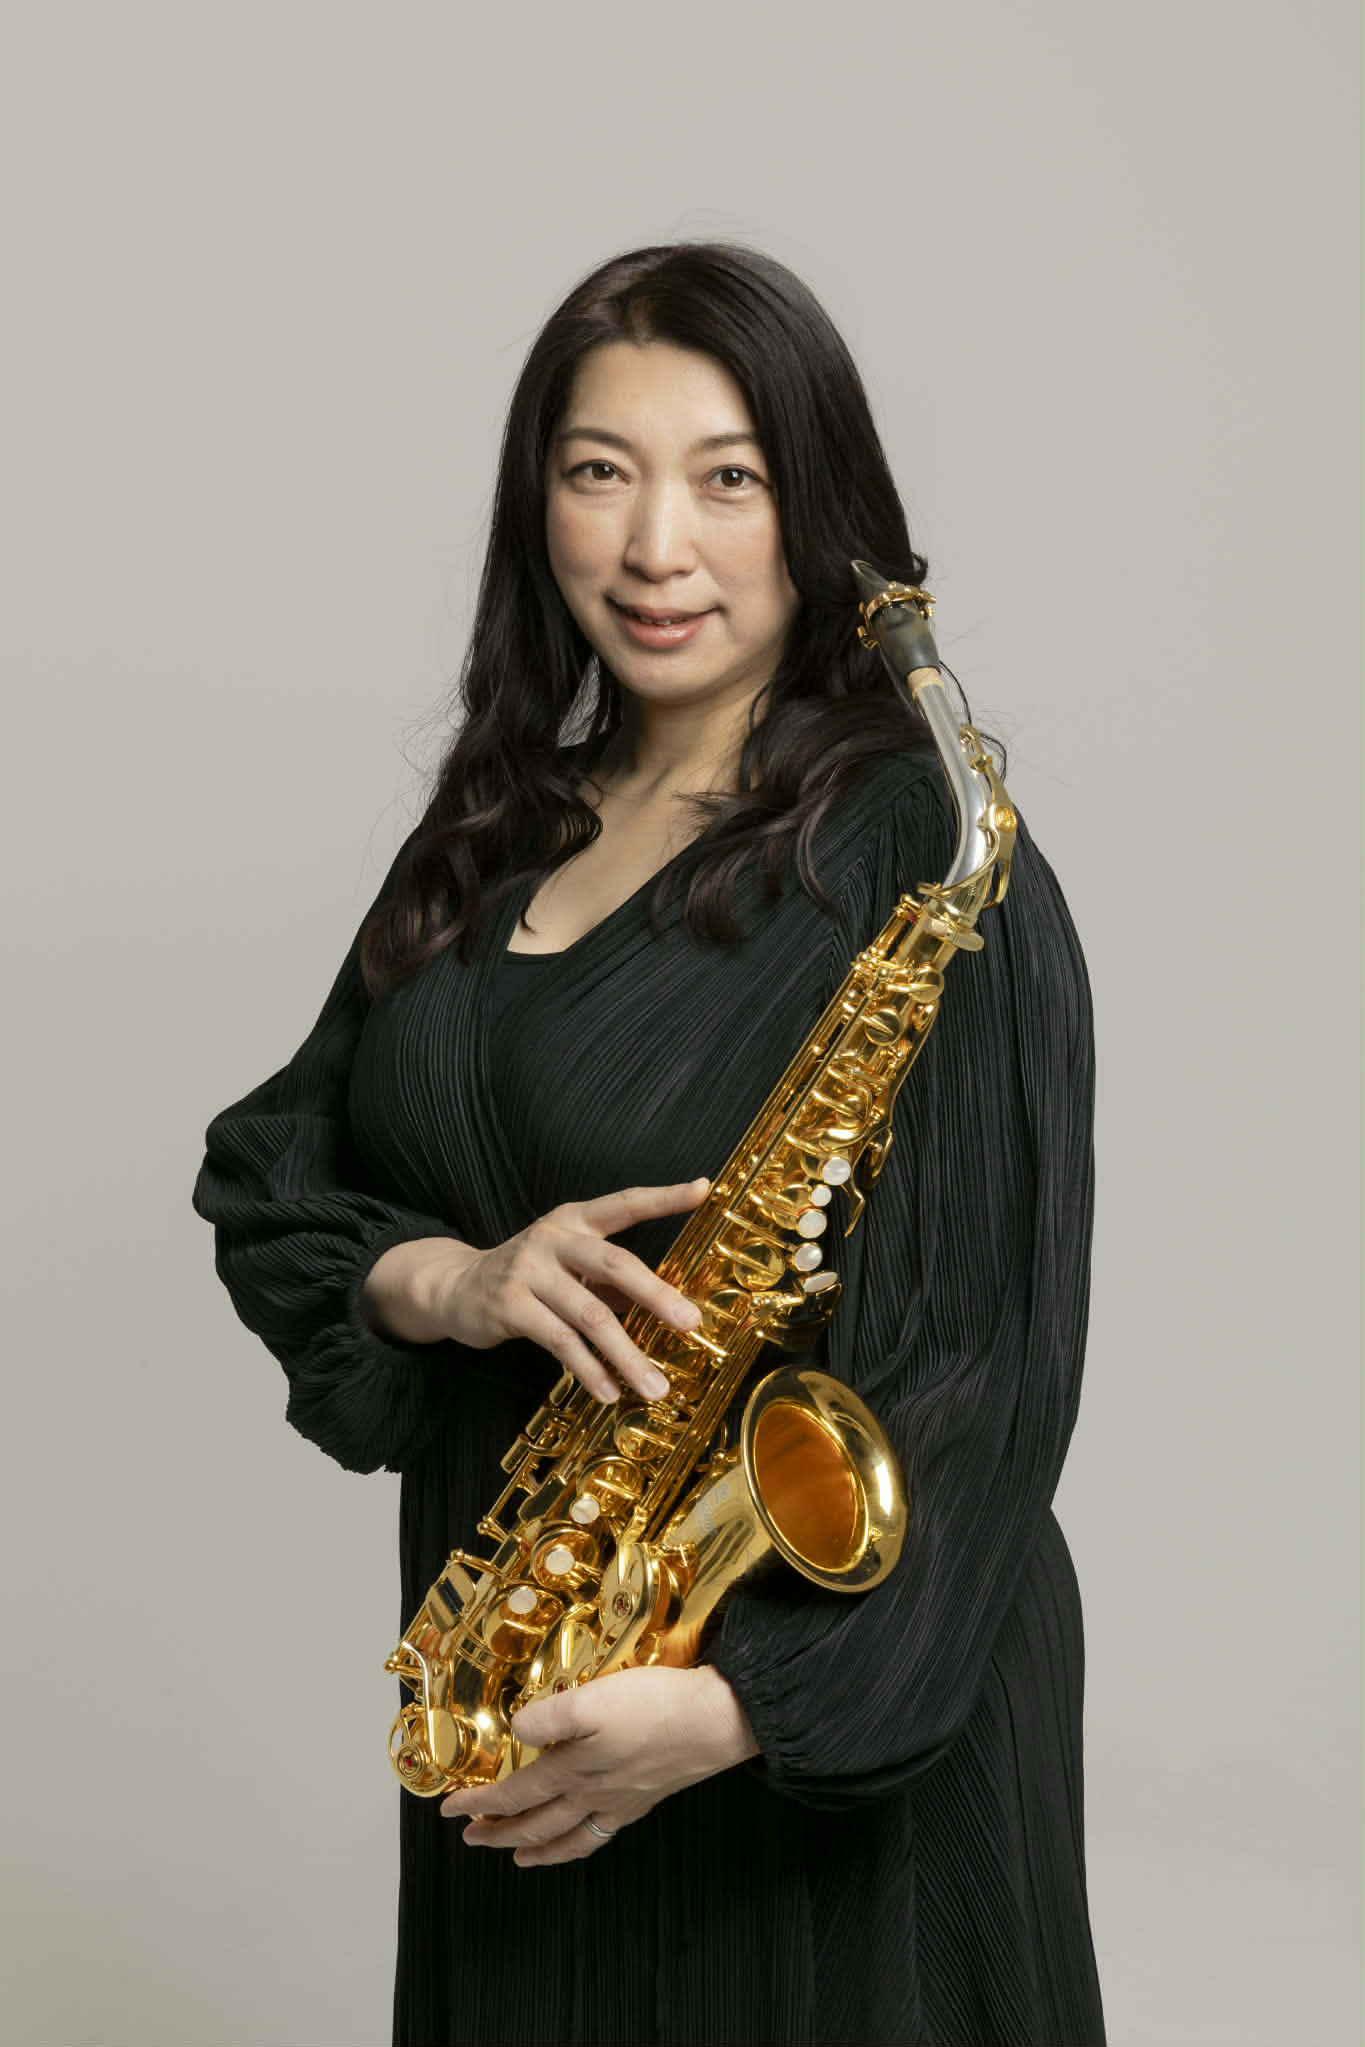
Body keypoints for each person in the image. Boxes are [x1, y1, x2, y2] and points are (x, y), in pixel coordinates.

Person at [192, 241, 1106, 2047]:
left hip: (807, 1733)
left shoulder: (917, 845)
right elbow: (277, 1169)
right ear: (534, 501)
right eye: (598, 472)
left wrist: (736, 1705)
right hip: (535, 1696)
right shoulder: (490, 831)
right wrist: (449, 1279)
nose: (654, 546)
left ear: (818, 508)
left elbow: (986, 1373)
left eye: (728, 478)